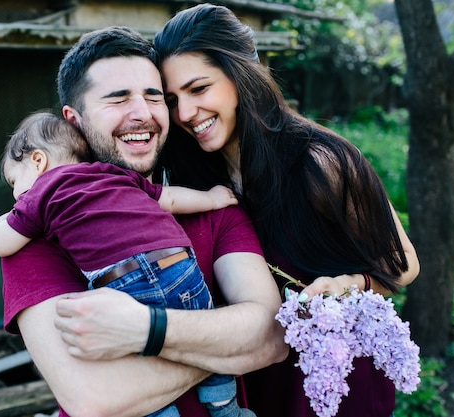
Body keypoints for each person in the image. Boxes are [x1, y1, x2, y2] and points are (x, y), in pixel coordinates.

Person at [53, 4, 421, 417]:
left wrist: (348, 283)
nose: (185, 114)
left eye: (199, 89)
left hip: (335, 381)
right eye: (172, 99)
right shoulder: (191, 174)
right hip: (248, 381)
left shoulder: (319, 162)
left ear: (239, 77)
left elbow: (403, 263)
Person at [0, 26, 287, 417]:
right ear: (75, 119)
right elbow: (95, 400)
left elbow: (271, 336)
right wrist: (223, 337)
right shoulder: (40, 238)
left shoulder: (215, 210)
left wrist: (142, 330)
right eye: (118, 99)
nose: (142, 114)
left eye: (154, 97)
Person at [0, 110, 251, 417]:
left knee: (139, 352)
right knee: (200, 327)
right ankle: (227, 408)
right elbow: (171, 199)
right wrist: (213, 198)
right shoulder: (113, 174)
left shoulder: (41, 194)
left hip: (129, 281)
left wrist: (14, 214)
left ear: (37, 161)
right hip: (181, 267)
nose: (15, 194)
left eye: (13, 182)